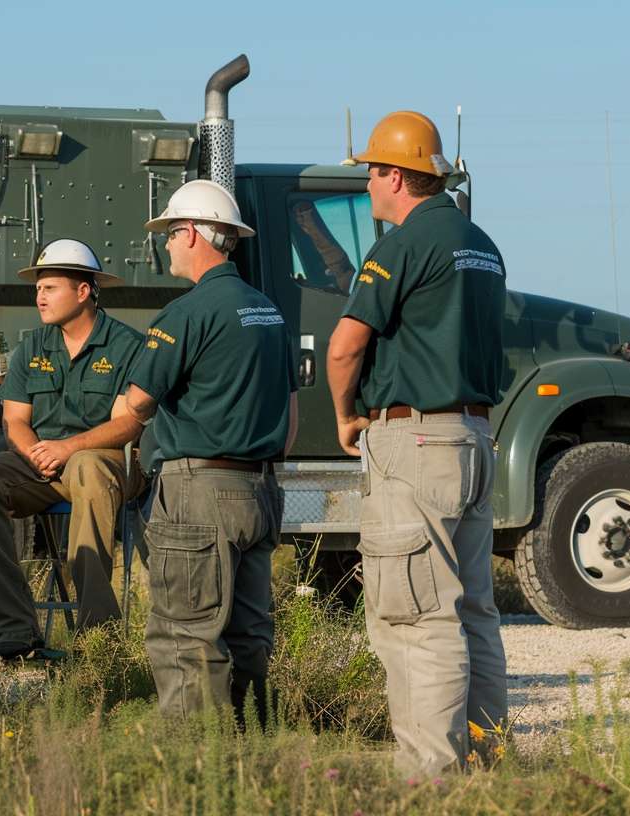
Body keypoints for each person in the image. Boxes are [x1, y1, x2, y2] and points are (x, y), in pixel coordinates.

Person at [328, 110, 509, 775]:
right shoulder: (482, 244)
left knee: (417, 617)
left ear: (397, 175)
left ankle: (432, 782)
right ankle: (487, 764)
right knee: (473, 613)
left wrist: (347, 416)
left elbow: (346, 349)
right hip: (474, 436)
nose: (368, 186)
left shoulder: (399, 246)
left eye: (371, 172)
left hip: (416, 439)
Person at [97, 179, 298, 726]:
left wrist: (70, 445)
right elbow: (291, 419)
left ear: (191, 233)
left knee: (185, 635)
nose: (164, 245)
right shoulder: (269, 312)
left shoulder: (184, 315)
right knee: (249, 635)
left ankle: (195, 765)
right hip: (260, 489)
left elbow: (133, 411)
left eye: (168, 233)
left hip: (197, 491)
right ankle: (253, 745)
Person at [0, 239, 145, 659]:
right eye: (38, 288)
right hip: (45, 467)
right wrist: (37, 453)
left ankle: (99, 639)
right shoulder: (33, 347)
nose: (39, 297)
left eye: (50, 287)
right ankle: (15, 632)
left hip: (108, 465)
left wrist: (66, 448)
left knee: (87, 466)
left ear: (83, 291)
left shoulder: (126, 345)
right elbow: (15, 421)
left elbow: (127, 424)